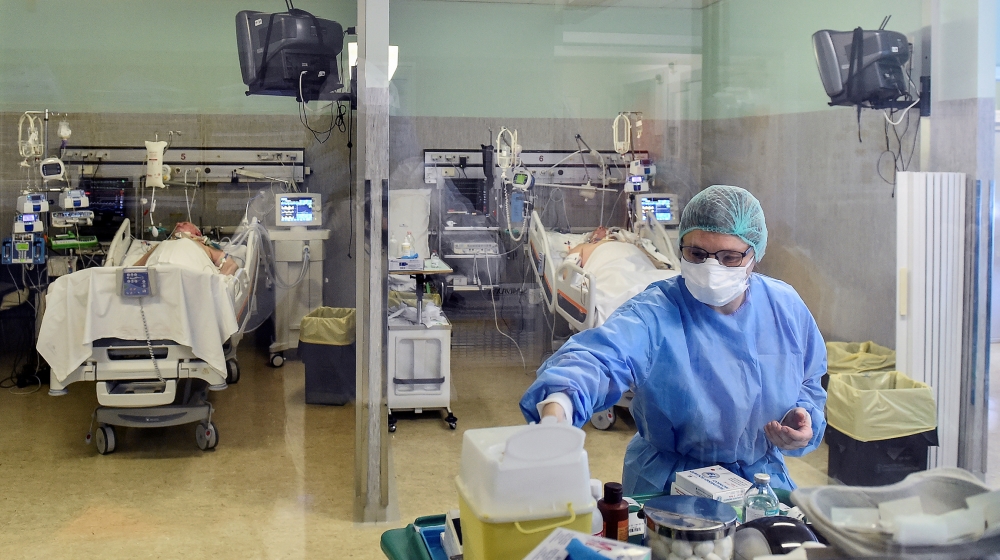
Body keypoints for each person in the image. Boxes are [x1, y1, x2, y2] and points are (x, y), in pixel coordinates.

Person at [520, 185, 827, 494]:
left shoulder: (784, 308)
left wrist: (803, 417)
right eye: (696, 254)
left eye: (729, 257)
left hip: (760, 483)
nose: (711, 268)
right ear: (681, 247)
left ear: (754, 255)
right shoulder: (654, 312)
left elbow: (809, 380)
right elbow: (600, 357)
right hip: (670, 486)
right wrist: (560, 403)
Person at [133, 222, 239, 276]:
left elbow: (230, 264)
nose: (178, 224)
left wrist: (220, 284)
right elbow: (134, 269)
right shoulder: (162, 245)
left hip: (190, 277)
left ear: (197, 233)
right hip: (157, 275)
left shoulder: (203, 246)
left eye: (184, 223)